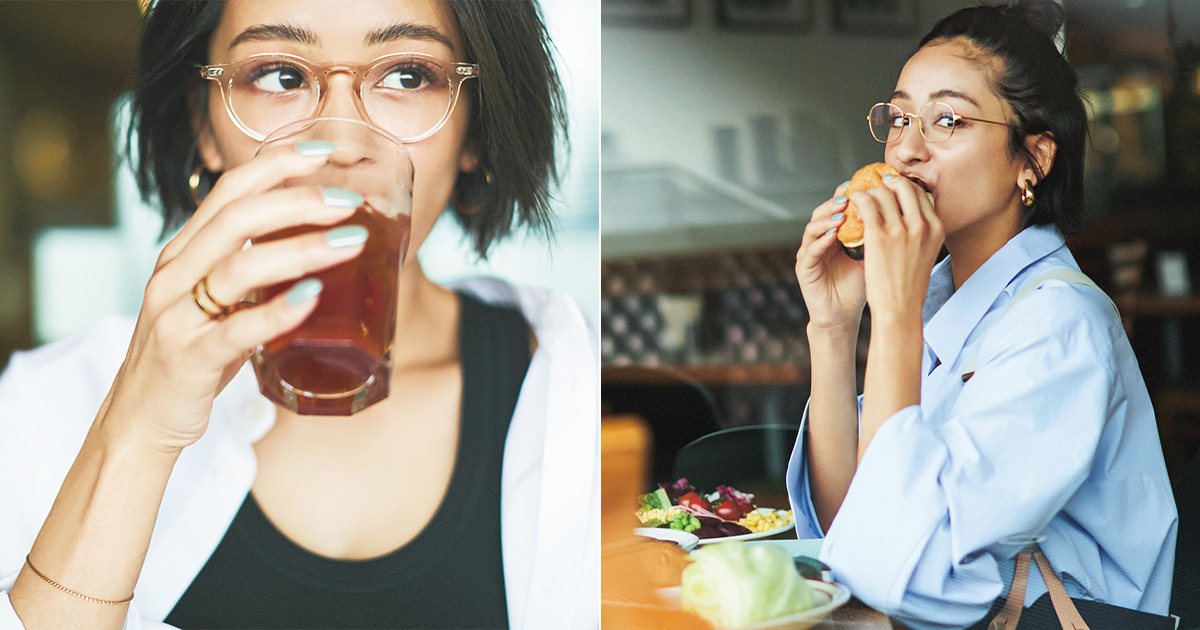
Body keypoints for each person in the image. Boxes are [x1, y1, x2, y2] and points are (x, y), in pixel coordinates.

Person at [0, 1, 597, 629]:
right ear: (205, 124)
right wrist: (136, 435)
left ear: (474, 130)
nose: (340, 143)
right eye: (280, 76)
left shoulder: (577, 393)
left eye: (408, 75)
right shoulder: (37, 409)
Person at [787, 1, 1176, 627]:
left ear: (1033, 160)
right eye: (900, 116)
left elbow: (895, 567)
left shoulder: (1059, 324)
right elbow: (851, 527)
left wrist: (894, 315)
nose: (908, 150)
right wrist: (834, 328)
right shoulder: (944, 305)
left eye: (947, 119)